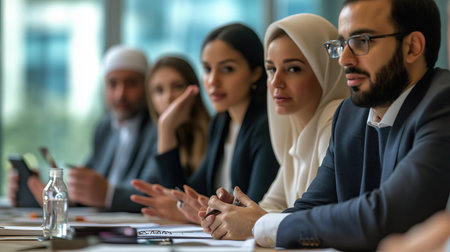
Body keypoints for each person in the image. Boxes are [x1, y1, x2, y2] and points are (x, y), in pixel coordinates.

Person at [251, 0, 450, 251]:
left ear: (412, 47)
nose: (344, 58)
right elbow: (311, 207)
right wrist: (263, 223)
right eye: (342, 43)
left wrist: (267, 225)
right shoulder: (349, 115)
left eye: (360, 41)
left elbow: (386, 218)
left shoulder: (442, 103)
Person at [199, 13, 349, 240]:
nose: (276, 82)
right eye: (271, 69)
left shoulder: (336, 123)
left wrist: (254, 221)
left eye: (293, 69)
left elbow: (319, 217)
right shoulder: (294, 131)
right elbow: (272, 204)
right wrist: (234, 212)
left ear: (325, 70)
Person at [130, 23, 279, 223]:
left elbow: (255, 212)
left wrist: (188, 213)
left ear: (255, 72)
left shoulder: (265, 126)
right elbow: (188, 194)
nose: (213, 80)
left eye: (227, 69)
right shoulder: (221, 123)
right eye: (207, 69)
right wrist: (166, 129)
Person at [8, 45, 158, 212]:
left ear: (147, 86)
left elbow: (154, 193)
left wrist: (108, 195)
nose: (120, 94)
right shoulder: (105, 127)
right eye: (112, 84)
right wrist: (47, 193)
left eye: (131, 83)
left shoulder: (158, 130)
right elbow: (86, 186)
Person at [146, 55, 210, 180]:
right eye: (159, 90)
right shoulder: (150, 138)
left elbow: (176, 195)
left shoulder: (213, 134)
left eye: (177, 86)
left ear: (193, 90)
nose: (168, 97)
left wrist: (166, 128)